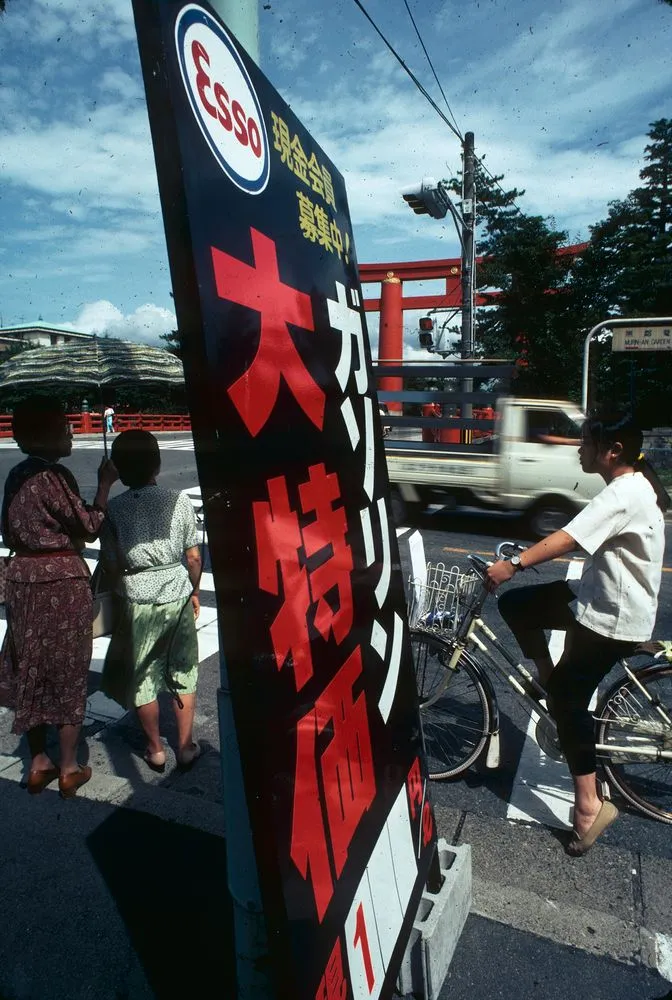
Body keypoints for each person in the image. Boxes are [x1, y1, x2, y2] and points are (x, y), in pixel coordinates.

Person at [486, 411, 666, 856]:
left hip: (613, 617)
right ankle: (549, 675)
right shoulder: (631, 483)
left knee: (568, 700)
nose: (579, 449)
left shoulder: (625, 492)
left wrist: (514, 564)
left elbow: (568, 538)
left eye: (585, 442)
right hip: (594, 597)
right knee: (517, 606)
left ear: (613, 450)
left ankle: (589, 805)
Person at [0, 396, 118, 797]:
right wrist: (104, 485)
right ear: (46, 434)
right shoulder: (56, 476)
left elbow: (7, 533)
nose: (70, 432)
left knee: (29, 666)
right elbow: (89, 526)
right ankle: (68, 766)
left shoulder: (16, 475)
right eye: (64, 427)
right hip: (61, 582)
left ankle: (37, 762)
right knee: (68, 670)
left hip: (21, 579)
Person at [100, 430, 202, 772]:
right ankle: (186, 747)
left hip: (137, 599)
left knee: (142, 677)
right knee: (182, 671)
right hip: (176, 593)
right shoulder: (178, 501)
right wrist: (194, 591)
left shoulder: (114, 509)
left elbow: (112, 563)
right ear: (157, 462)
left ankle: (155, 749)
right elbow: (193, 557)